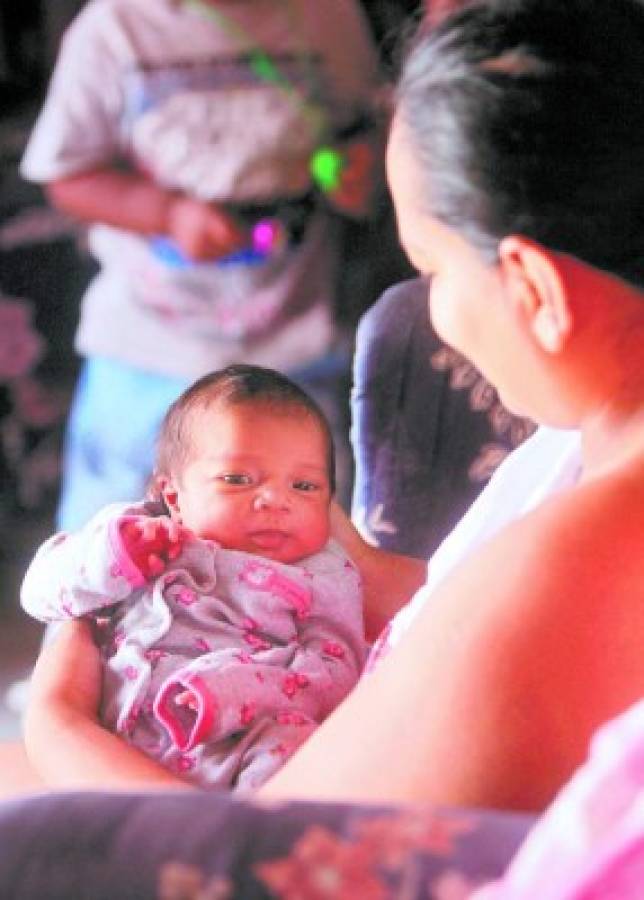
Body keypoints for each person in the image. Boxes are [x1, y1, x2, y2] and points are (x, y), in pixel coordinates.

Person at [5, 0, 644, 817]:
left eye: (435, 272)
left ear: (534, 290)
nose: (432, 315)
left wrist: (60, 720)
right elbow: (455, 610)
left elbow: (266, 846)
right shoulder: (580, 443)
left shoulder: (564, 573)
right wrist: (372, 576)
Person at [20, 0, 383, 529]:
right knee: (108, 540)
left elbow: (364, 127)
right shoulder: (114, 29)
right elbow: (68, 176)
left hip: (295, 347)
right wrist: (167, 214)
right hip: (148, 349)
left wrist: (360, 172)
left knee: (298, 540)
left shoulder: (329, 15)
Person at [20, 364, 365, 791]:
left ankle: (248, 840)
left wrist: (230, 691)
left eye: (305, 486)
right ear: (173, 497)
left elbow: (336, 675)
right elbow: (40, 594)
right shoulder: (138, 535)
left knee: (300, 751)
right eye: (238, 479)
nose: (276, 500)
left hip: (243, 745)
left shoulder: (325, 575)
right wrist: (115, 554)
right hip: (115, 743)